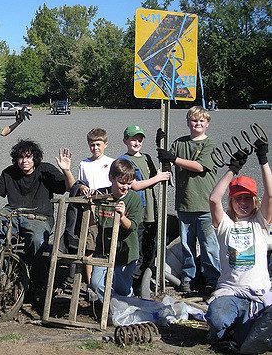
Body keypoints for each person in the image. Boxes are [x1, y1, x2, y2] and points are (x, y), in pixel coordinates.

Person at [0, 140, 75, 291]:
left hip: (39, 216)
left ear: (35, 158)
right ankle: (1, 272)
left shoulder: (45, 170)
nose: (24, 161)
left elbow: (69, 187)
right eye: (20, 157)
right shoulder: (9, 172)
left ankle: (36, 277)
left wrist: (66, 170)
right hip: (13, 212)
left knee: (37, 239)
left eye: (28, 157)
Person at [206, 140, 271, 353]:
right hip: (230, 292)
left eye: (247, 198)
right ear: (232, 201)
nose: (243, 203)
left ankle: (237, 333)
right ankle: (223, 331)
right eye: (237, 198)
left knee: (247, 341)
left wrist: (263, 161)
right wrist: (232, 170)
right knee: (217, 318)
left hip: (258, 294)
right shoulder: (225, 225)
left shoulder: (260, 223)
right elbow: (214, 199)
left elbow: (271, 195)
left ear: (255, 200)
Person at [157, 106, 220, 294]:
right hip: (184, 204)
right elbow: (166, 159)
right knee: (187, 246)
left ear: (207, 124)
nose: (197, 124)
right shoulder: (179, 143)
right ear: (188, 122)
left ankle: (213, 279)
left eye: (201, 121)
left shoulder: (210, 144)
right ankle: (188, 278)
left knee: (209, 246)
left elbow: (199, 167)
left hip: (205, 204)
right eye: (194, 120)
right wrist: (160, 145)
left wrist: (173, 158)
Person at [119, 125, 171, 296]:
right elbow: (134, 185)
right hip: (137, 212)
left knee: (151, 247)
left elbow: (159, 174)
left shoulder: (147, 158)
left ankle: (145, 283)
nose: (137, 142)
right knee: (138, 250)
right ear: (125, 140)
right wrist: (157, 178)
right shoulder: (124, 161)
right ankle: (133, 285)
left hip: (151, 210)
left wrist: (160, 147)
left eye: (140, 139)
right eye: (133, 139)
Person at [89, 159, 143, 300]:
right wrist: (90, 205)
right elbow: (92, 221)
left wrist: (122, 216)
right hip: (103, 250)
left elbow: (133, 226)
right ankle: (112, 306)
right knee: (95, 283)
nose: (125, 187)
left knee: (122, 288)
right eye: (122, 182)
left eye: (129, 183)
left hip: (125, 252)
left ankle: (125, 305)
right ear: (111, 178)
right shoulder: (101, 195)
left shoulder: (134, 200)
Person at [73, 128, 115, 284]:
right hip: (90, 206)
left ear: (105, 144)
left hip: (107, 204)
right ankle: (90, 282)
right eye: (92, 145)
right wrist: (82, 188)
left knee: (107, 242)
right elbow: (80, 183)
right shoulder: (84, 163)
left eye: (98, 144)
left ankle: (108, 280)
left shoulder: (111, 162)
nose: (95, 148)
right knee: (90, 242)